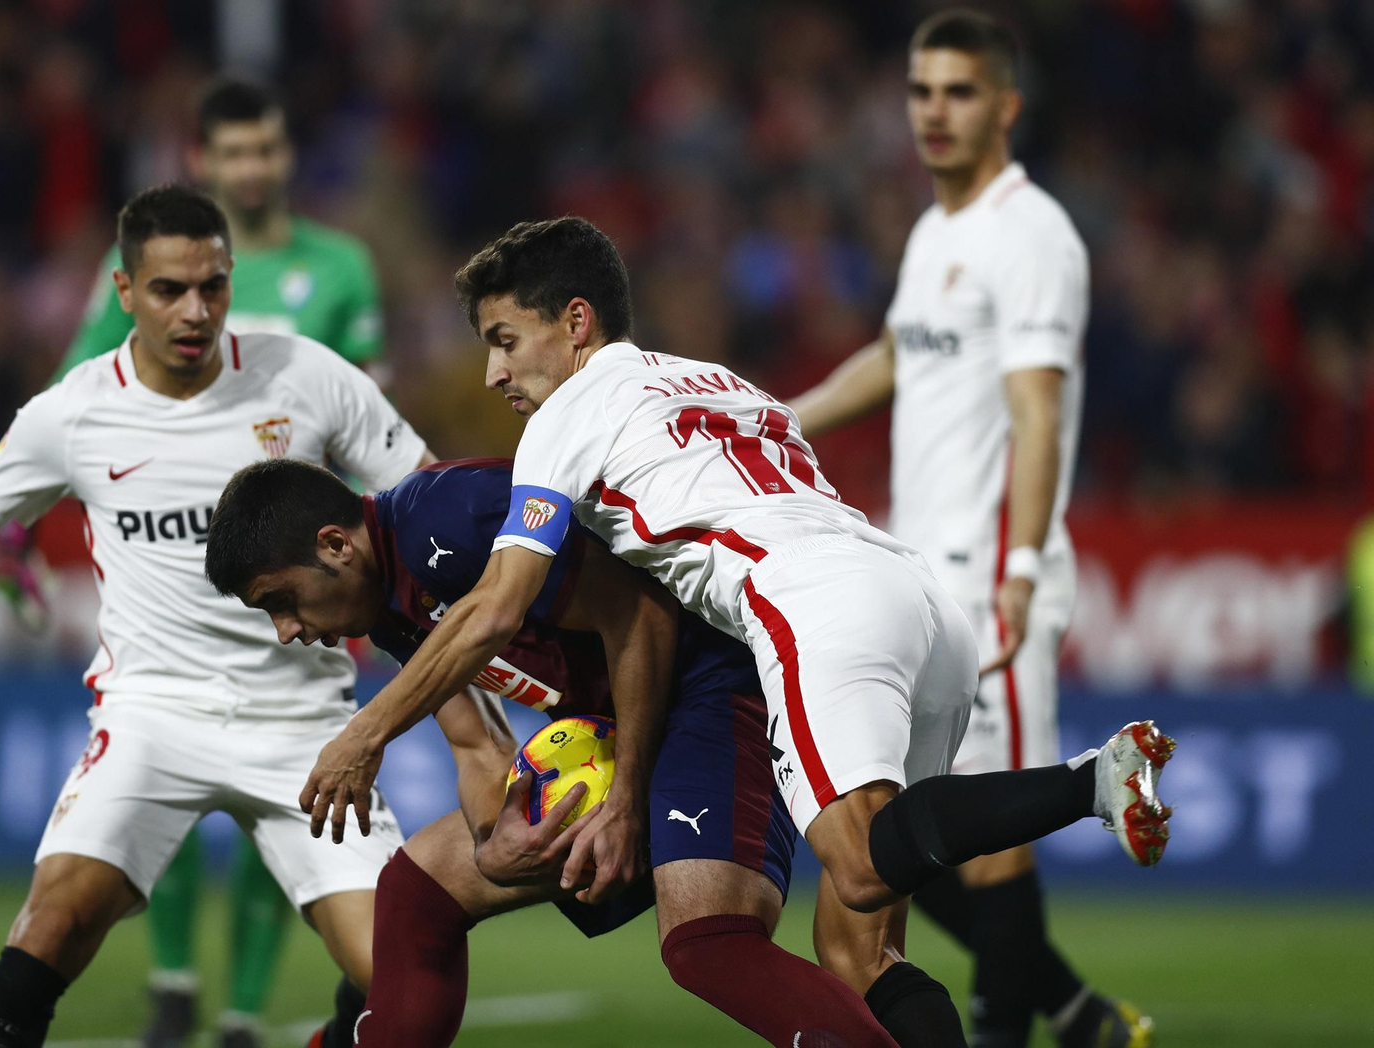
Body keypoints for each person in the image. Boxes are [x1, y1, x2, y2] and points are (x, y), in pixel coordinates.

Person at [297, 215, 1177, 1047]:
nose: (494, 374)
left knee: (861, 862)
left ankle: (1093, 779)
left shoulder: (569, 412)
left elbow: (495, 603)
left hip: (806, 603)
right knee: (862, 954)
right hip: (914, 596)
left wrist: (364, 733)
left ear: (575, 322)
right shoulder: (720, 381)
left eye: (504, 340)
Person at [0, 184, 433, 1048]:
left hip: (303, 727)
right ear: (125, 291)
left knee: (400, 977)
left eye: (213, 285)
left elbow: (422, 497)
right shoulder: (76, 411)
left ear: (231, 277)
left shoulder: (306, 377)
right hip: (152, 716)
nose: (195, 310)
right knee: (56, 916)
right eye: (169, 289)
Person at [203, 456, 913, 1048]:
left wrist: (628, 801)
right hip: (621, 728)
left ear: (335, 545)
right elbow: (479, 743)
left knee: (709, 943)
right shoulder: (390, 605)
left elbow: (641, 617)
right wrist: (496, 848)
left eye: (281, 600)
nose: (287, 631)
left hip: (716, 690)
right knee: (419, 891)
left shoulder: (447, 519)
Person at [786, 11, 1152, 1046]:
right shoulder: (935, 233)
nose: (932, 112)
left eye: (956, 91)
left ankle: (1008, 1030)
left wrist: (1023, 567)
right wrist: (777, 416)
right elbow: (897, 358)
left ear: (1004, 105)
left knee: (991, 848)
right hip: (918, 570)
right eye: (919, 91)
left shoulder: (1031, 235)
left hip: (991, 571)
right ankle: (1071, 1011)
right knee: (902, 841)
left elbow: (1037, 408)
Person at [29, 78, 389, 1048]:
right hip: (169, 602)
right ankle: (178, 985)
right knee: (161, 815)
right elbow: (86, 401)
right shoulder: (150, 263)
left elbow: (366, 432)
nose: (253, 168)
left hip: (290, 595)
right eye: (234, 154)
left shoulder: (341, 267)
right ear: (207, 162)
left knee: (295, 823)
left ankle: (243, 1009)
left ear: (285, 154)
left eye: (267, 149)